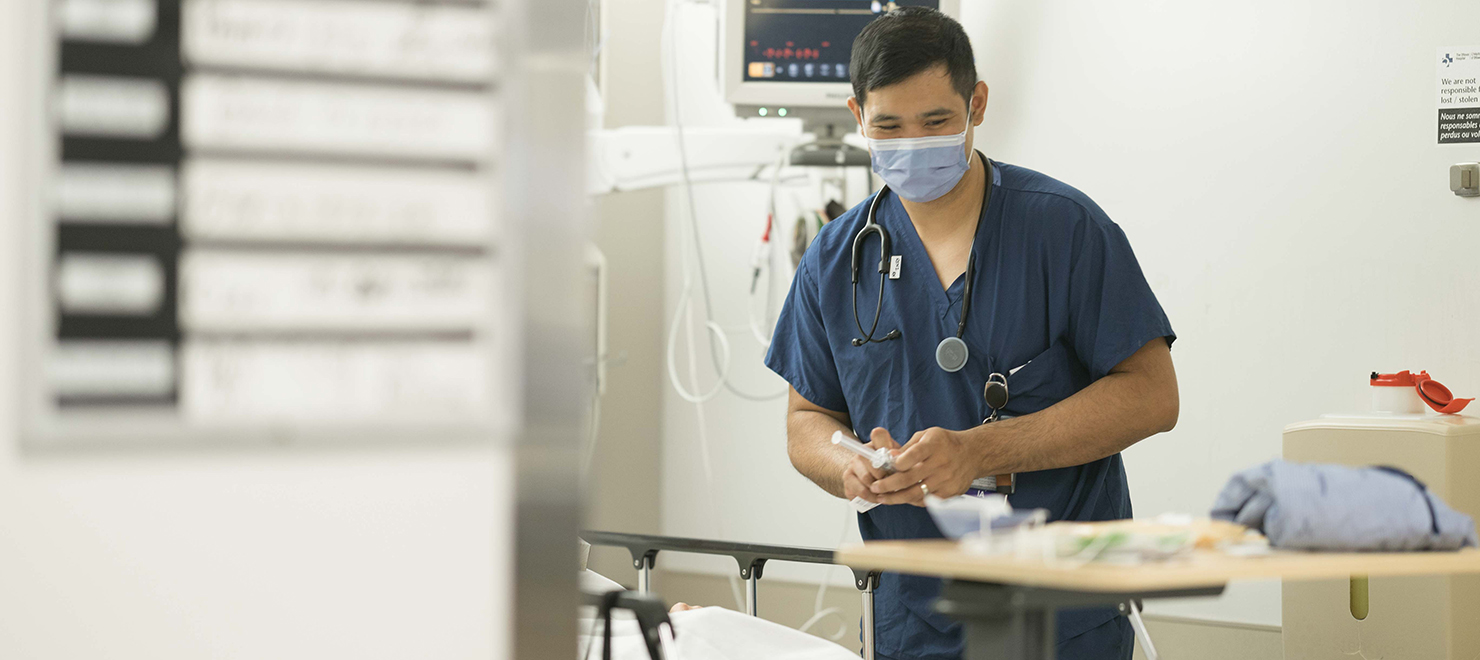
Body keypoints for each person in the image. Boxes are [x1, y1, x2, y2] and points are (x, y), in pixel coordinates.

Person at [763, 8, 1179, 660]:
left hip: (1060, 617)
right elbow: (806, 418)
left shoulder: (1063, 230)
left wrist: (982, 452)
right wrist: (851, 466)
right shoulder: (837, 258)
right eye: (889, 126)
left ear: (976, 103)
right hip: (913, 621)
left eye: (935, 123)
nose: (912, 143)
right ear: (856, 115)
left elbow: (1152, 396)